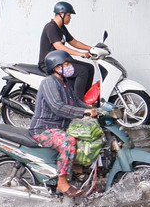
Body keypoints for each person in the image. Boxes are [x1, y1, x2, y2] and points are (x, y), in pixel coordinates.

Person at [29, 50, 99, 197]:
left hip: (60, 127)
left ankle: (82, 175)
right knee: (68, 142)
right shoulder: (49, 82)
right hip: (43, 129)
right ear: (55, 67)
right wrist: (83, 113)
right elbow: (57, 106)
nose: (69, 67)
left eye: (69, 64)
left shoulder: (65, 84)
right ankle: (62, 182)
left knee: (87, 140)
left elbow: (77, 102)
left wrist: (94, 109)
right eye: (66, 64)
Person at [39, 1, 96, 100]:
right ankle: (77, 103)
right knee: (82, 71)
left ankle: (84, 99)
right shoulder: (51, 27)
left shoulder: (61, 27)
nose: (70, 18)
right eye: (69, 15)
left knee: (89, 67)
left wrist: (91, 48)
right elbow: (60, 47)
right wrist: (80, 54)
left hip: (60, 62)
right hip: (51, 65)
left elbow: (73, 42)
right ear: (61, 14)